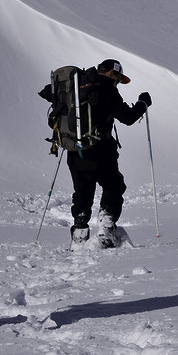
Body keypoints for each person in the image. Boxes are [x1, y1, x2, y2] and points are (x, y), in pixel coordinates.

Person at [39, 58, 151, 245]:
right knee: (114, 186)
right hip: (101, 152)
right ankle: (106, 228)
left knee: (82, 193)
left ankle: (80, 235)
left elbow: (47, 94)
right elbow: (128, 117)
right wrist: (142, 103)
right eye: (117, 78)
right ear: (111, 73)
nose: (117, 83)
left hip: (74, 151)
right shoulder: (106, 89)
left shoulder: (75, 88)